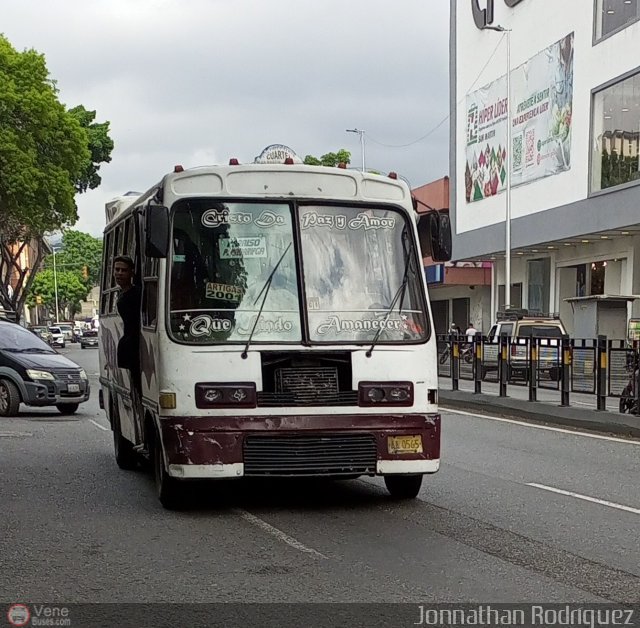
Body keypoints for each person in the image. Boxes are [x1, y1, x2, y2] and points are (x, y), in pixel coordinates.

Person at [113, 255, 142, 395]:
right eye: (117, 270)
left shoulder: (135, 294)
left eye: (123, 270)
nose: (119, 273)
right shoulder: (122, 294)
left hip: (137, 348)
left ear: (131, 273)